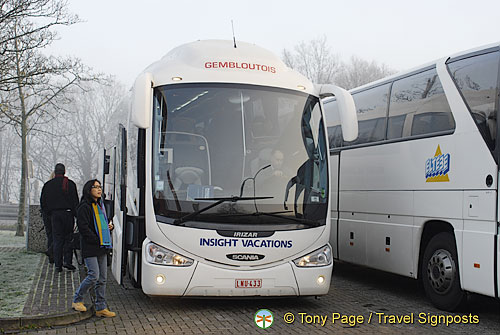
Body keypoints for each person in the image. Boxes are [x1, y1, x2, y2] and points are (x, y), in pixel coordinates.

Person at [72, 179, 116, 318]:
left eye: (100, 187)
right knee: (93, 275)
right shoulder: (84, 207)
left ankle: (101, 307)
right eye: (95, 187)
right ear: (88, 190)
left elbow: (104, 223)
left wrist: (110, 227)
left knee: (102, 278)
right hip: (91, 247)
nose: (99, 189)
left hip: (101, 246)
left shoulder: (100, 206)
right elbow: (84, 228)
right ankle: (77, 299)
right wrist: (98, 239)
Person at [40, 163, 79, 272]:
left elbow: (43, 202)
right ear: (64, 171)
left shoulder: (48, 185)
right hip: (68, 214)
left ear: (55, 171)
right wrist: (76, 216)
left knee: (57, 239)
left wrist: (49, 214)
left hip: (55, 215)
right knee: (68, 238)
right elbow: (75, 201)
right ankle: (67, 261)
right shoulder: (70, 184)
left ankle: (58, 264)